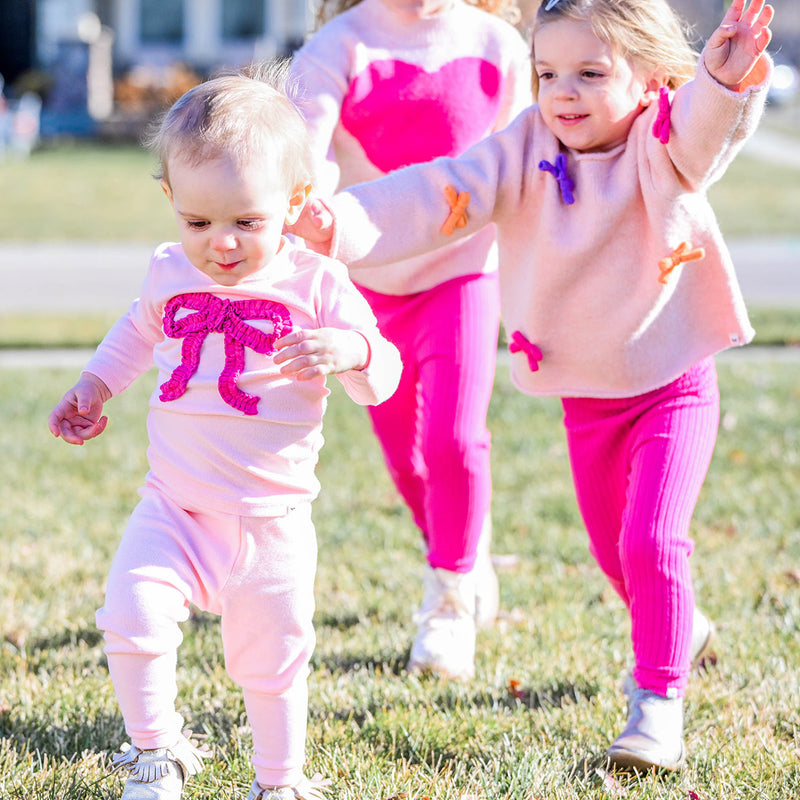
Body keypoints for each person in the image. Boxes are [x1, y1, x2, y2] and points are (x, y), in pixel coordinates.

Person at [288, 0, 774, 771]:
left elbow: (706, 132)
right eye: (548, 74)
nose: (564, 93)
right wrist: (338, 224)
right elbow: (439, 193)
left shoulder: (664, 139)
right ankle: (684, 627)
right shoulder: (523, 147)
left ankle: (656, 707)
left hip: (672, 384)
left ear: (647, 76)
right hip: (589, 400)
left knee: (653, 540)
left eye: (590, 73)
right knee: (618, 555)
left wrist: (724, 76)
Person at [47, 65, 401, 800]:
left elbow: (385, 376)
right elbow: (137, 333)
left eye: (247, 222)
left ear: (295, 202)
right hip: (174, 505)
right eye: (199, 222)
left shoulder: (318, 284)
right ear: (171, 202)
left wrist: (352, 350)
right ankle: (155, 752)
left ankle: (278, 780)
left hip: (270, 522)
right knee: (131, 613)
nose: (223, 244)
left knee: (272, 661)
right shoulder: (169, 272)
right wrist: (93, 384)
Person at [288, 0, 533, 681]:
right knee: (407, 460)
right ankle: (461, 550)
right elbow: (304, 162)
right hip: (364, 286)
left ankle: (451, 602)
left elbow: (521, 158)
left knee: (454, 440)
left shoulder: (496, 45)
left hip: (462, 273)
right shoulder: (339, 46)